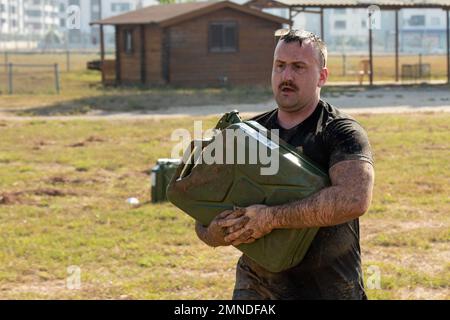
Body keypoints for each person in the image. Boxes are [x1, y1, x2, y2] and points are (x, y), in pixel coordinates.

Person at [194, 29, 375, 300]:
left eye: (299, 67)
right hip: (257, 290)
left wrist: (271, 219)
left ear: (322, 76)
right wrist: (215, 233)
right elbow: (203, 217)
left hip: (328, 289)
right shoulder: (247, 133)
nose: (286, 77)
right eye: (280, 66)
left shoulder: (340, 132)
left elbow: (354, 199)